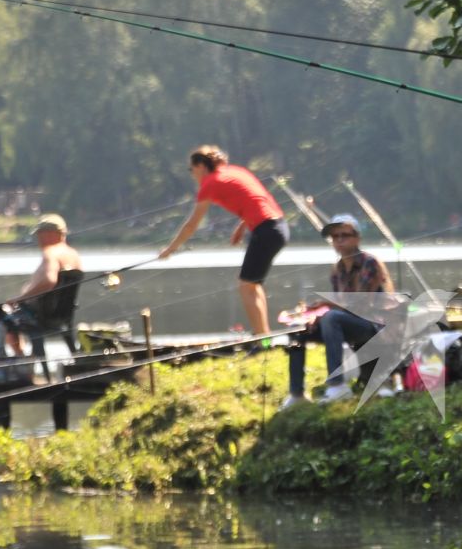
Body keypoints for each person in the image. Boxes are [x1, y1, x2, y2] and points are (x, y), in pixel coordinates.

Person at [158, 146, 288, 336]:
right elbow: (256, 200)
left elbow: (192, 225)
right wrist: (242, 226)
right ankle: (264, 338)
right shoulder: (236, 172)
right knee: (252, 285)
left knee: (246, 286)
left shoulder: (210, 183)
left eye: (191, 169)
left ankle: (261, 341)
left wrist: (170, 250)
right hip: (278, 227)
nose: (192, 174)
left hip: (266, 231)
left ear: (201, 165)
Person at [283, 214, 394, 407]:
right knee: (298, 329)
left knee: (331, 317)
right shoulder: (337, 270)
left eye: (345, 235)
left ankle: (337, 386)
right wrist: (313, 317)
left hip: (374, 327)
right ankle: (296, 394)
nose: (339, 240)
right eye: (335, 237)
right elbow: (341, 306)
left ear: (357, 238)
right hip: (346, 322)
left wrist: (325, 306)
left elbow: (361, 305)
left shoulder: (370, 263)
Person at [0, 214, 82, 380]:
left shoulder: (51, 253)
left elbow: (49, 281)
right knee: (8, 321)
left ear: (51, 233)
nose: (38, 239)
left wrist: (20, 298)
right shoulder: (73, 255)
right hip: (59, 317)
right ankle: (23, 366)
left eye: (40, 234)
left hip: (36, 317)